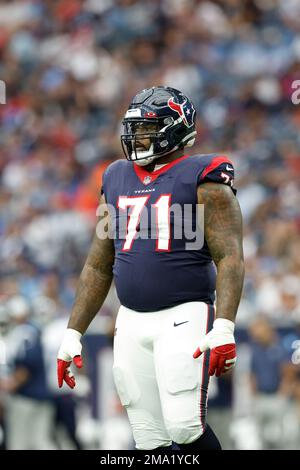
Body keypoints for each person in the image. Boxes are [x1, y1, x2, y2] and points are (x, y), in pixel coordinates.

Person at [57, 86, 245, 451]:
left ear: (175, 130)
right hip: (130, 319)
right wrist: (73, 332)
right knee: (148, 437)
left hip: (185, 313)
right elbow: (98, 264)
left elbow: (230, 256)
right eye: (134, 128)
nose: (135, 137)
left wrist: (224, 325)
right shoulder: (115, 176)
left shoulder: (203, 175)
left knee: (185, 427)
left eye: (146, 128)